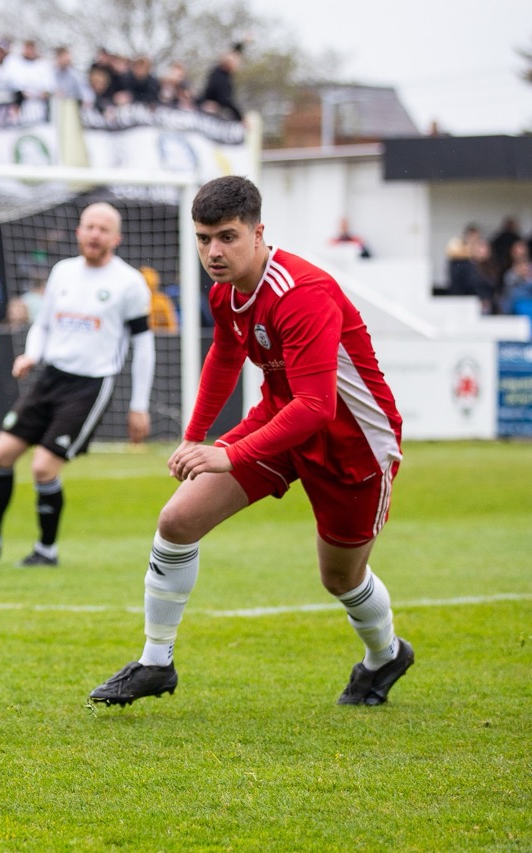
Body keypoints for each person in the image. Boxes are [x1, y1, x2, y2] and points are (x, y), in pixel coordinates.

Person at [89, 176, 412, 709]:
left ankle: (386, 655)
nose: (213, 252)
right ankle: (155, 662)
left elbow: (318, 406)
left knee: (340, 578)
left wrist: (230, 453)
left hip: (352, 443)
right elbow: (224, 356)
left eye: (227, 237)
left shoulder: (301, 294)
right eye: (203, 238)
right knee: (177, 521)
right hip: (281, 421)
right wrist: (194, 437)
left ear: (258, 233)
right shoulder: (225, 291)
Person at [0, 203, 155, 568]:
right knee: (0, 454)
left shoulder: (129, 283)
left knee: (43, 468)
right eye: (89, 227)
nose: (95, 234)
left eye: (103, 229)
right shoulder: (63, 272)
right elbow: (43, 324)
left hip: (90, 386)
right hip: (49, 377)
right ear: (79, 232)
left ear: (116, 238)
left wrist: (139, 405)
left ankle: (46, 551)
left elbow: (144, 345)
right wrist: (31, 355)